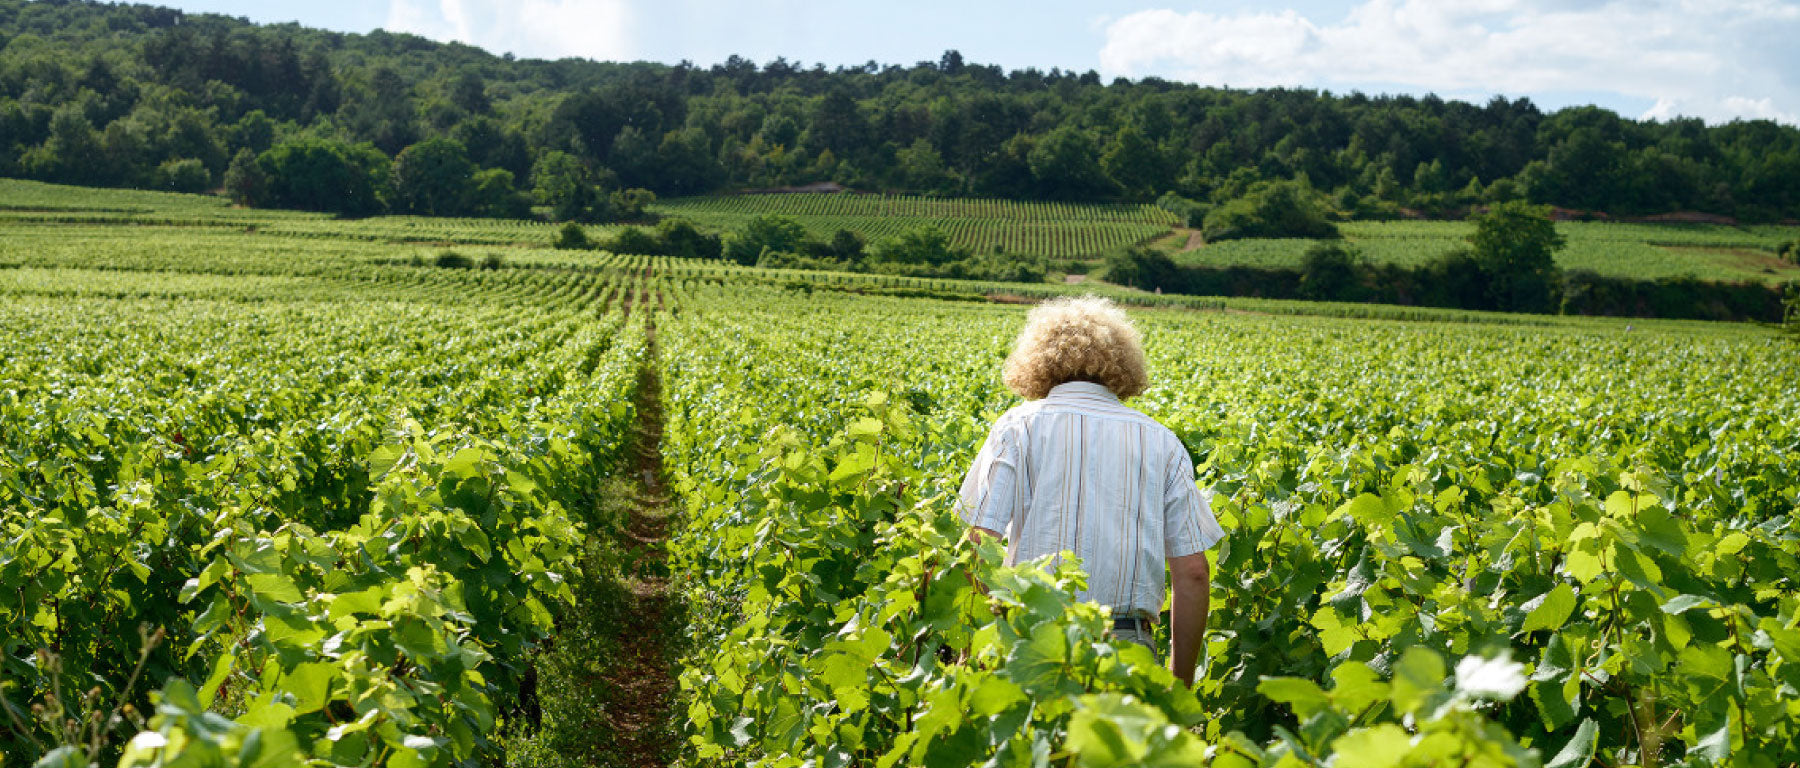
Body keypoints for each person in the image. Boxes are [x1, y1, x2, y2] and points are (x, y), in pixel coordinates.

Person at [957, 295, 1226, 686]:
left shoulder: (1017, 428)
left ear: (1040, 361)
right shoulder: (1161, 441)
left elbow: (980, 542)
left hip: (1031, 642)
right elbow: (1194, 573)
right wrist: (1179, 685)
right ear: (1122, 365)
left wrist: (972, 650)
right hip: (1126, 650)